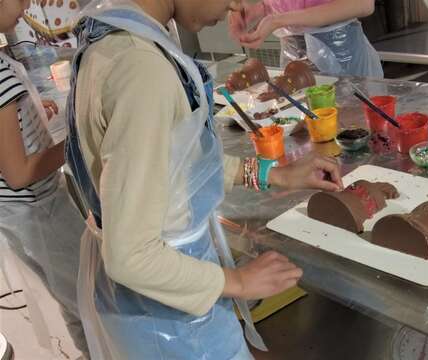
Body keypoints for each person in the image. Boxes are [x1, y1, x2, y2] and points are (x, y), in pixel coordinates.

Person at [66, 0, 344, 358]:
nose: (237, 5)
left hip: (151, 305)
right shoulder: (141, 70)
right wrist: (239, 280)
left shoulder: (116, 36)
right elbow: (131, 256)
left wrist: (268, 173)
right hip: (167, 323)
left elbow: (174, 160)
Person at [0, 0, 89, 357]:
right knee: (89, 300)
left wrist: (34, 109)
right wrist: (78, 143)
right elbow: (19, 173)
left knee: (71, 296)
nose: (26, 5)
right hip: (37, 210)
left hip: (19, 212)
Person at [228, 0, 383, 78]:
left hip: (342, 57)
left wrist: (278, 21)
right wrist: (259, 10)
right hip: (291, 52)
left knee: (350, 128)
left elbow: (363, 4)